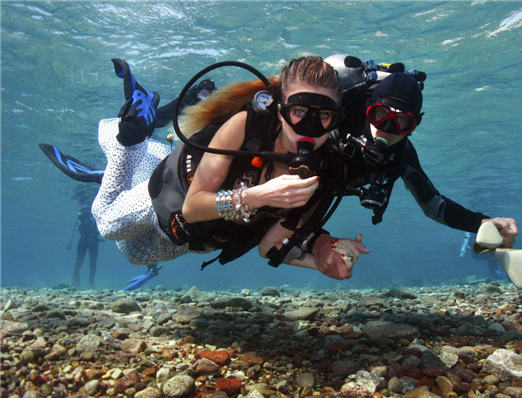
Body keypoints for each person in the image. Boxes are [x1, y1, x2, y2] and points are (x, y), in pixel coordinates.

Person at [91, 57, 368, 280]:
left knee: (133, 254)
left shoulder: (323, 172)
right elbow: (192, 207)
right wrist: (260, 196)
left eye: (324, 116)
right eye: (299, 112)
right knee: (106, 224)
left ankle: (152, 150)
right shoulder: (246, 125)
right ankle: (129, 139)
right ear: (281, 109)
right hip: (172, 195)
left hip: (198, 239)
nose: (309, 128)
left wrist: (320, 257)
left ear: (336, 120)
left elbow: (268, 248)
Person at [313, 63, 521, 281]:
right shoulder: (336, 125)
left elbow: (434, 205)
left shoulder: (401, 155)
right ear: (368, 107)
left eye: (402, 121)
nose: (387, 128)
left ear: (415, 125)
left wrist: (482, 222)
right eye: (380, 114)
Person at [69, 206, 103, 289]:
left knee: (80, 260)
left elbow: (80, 228)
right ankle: (90, 282)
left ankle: (76, 279)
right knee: (92, 261)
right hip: (93, 241)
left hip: (84, 240)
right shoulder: (95, 214)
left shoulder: (83, 214)